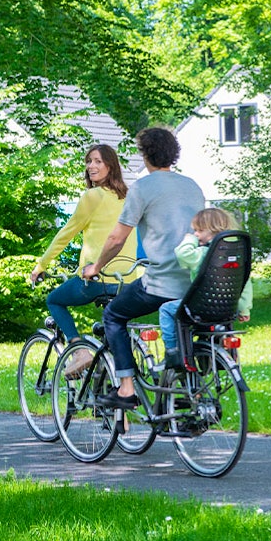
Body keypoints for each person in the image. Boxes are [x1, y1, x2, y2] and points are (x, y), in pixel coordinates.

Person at [82, 126, 204, 410]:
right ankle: (187, 387)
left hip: (161, 282)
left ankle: (125, 389)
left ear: (146, 155)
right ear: (173, 154)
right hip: (196, 283)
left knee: (113, 315)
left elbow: (116, 238)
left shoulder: (142, 188)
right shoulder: (192, 186)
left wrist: (96, 266)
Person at [28, 144, 140, 376]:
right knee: (113, 332)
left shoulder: (93, 196)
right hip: (128, 279)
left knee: (55, 300)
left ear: (111, 166)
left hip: (98, 277)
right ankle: (111, 383)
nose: (91, 166)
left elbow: (66, 233)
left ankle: (79, 352)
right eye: (89, 161)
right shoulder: (129, 197)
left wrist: (42, 265)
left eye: (98, 161)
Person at [158, 208, 250, 369]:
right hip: (228, 309)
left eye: (199, 230)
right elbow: (245, 283)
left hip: (202, 307)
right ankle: (221, 349)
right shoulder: (234, 257)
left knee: (166, 309)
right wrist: (244, 309)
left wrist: (189, 239)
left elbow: (182, 254)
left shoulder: (202, 253)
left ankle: (173, 351)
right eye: (195, 231)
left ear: (214, 231)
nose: (196, 234)